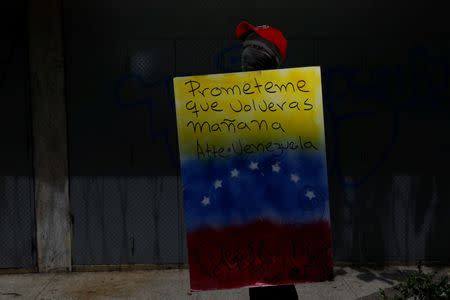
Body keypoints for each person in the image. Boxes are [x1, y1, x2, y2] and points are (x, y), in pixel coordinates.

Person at [235, 21, 299, 300]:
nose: (247, 52)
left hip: (277, 206)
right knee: (259, 278)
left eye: (255, 45)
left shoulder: (293, 101)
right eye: (246, 44)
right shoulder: (229, 100)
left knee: (278, 277)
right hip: (250, 207)